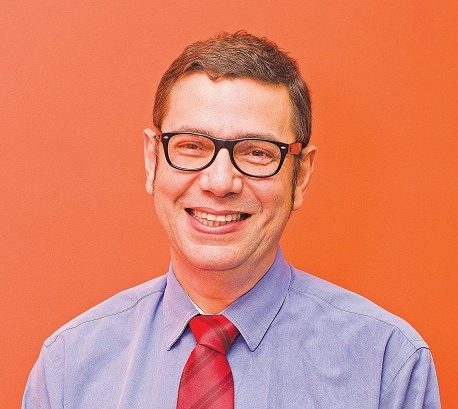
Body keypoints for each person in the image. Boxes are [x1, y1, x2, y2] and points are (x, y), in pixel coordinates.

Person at [23, 31, 440, 408]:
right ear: (152, 160)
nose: (220, 182)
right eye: (191, 146)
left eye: (257, 152)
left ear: (300, 176)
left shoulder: (388, 364)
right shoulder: (68, 366)